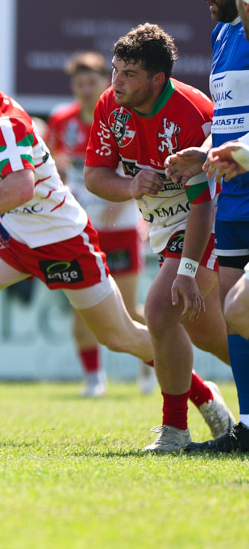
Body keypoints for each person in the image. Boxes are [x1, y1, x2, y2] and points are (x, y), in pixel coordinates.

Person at [0, 46, 222, 450]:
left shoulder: (4, 124)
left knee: (121, 336)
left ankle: (204, 396)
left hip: (62, 240)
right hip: (11, 234)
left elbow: (21, 187)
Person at [85, 24, 234, 451]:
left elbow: (204, 203)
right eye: (115, 70)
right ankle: (216, 412)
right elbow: (95, 175)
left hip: (209, 216)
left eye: (129, 73)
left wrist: (187, 270)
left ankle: (174, 431)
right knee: (206, 332)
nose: (116, 81)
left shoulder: (190, 113)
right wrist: (130, 186)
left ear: (158, 79)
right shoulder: (111, 106)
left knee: (159, 308)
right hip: (165, 224)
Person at [166, 0, 249, 453]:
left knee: (239, 309)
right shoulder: (222, 37)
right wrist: (204, 150)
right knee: (231, 317)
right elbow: (227, 120)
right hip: (233, 195)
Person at [48, 51, 149, 397]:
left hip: (121, 226)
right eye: (80, 83)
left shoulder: (120, 117)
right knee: (84, 308)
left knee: (129, 306)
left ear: (103, 83)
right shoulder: (62, 121)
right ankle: (94, 379)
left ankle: (149, 371)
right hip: (81, 229)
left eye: (92, 82)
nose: (86, 89)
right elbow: (55, 166)